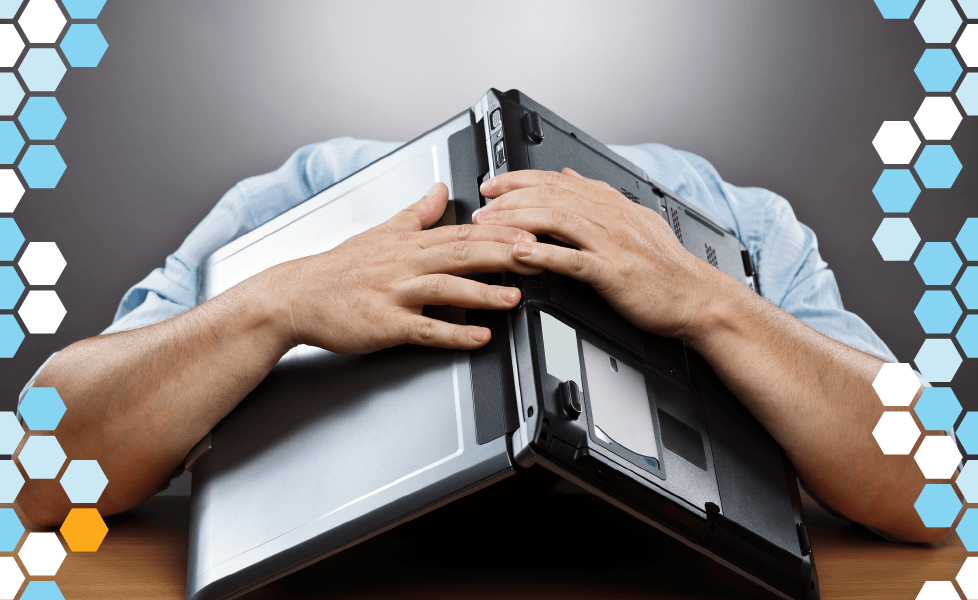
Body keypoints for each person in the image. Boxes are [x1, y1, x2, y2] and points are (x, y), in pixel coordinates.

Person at [17, 137, 937, 544]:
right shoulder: (301, 196)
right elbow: (38, 476)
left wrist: (706, 300)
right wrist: (281, 303)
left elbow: (933, 494)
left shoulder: (734, 220)